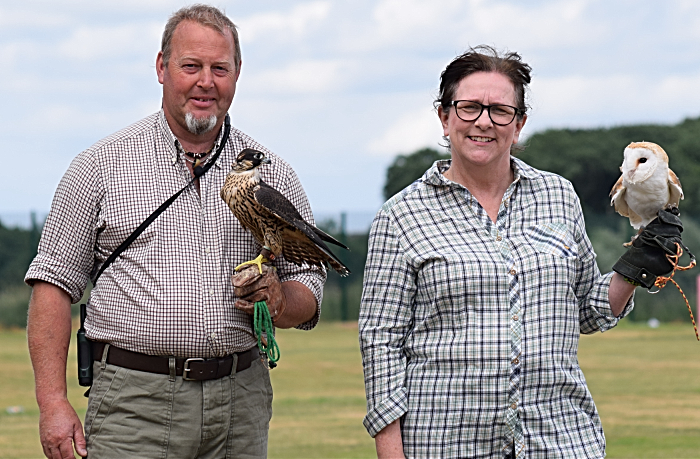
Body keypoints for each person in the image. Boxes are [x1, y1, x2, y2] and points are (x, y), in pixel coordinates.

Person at [25, 5, 325, 459]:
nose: (206, 81)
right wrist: (51, 403)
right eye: (191, 66)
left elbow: (311, 284)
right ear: (162, 68)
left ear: (238, 73)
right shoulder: (100, 165)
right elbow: (52, 285)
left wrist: (281, 300)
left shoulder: (273, 172)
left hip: (240, 402)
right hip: (133, 405)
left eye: (219, 68)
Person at [358, 45, 674, 458]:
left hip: (559, 439)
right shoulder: (401, 215)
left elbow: (589, 311)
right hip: (445, 442)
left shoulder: (558, 195)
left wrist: (632, 270)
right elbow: (380, 341)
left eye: (500, 111)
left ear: (519, 123)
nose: (483, 121)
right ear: (444, 116)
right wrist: (390, 451)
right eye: (469, 107)